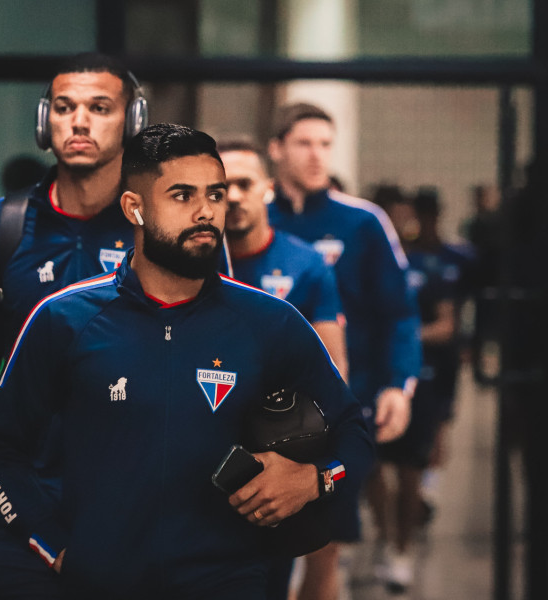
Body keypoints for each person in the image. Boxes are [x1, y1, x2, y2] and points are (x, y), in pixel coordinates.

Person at [0, 123, 375, 599]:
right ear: (135, 207)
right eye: (182, 195)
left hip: (230, 584)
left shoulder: (271, 322)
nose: (206, 211)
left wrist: (314, 479)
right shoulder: (65, 319)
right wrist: (52, 545)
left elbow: (353, 432)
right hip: (99, 584)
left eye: (215, 194)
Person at [0, 52, 147, 598]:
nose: (78, 121)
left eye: (99, 108)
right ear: (44, 120)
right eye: (63, 107)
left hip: (132, 513)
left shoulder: (160, 231)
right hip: (13, 511)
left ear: (133, 122)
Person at [265, 103, 422, 600]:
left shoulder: (363, 222)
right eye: (304, 143)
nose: (317, 155)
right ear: (276, 148)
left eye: (325, 144)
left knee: (326, 541)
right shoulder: (252, 216)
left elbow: (400, 312)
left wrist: (398, 385)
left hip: (345, 402)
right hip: (259, 406)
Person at [218, 137, 348, 599]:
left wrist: (314, 465)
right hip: (199, 449)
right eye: (221, 188)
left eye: (244, 184)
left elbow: (334, 371)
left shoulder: (305, 264)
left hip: (276, 453)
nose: (233, 197)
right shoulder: (190, 263)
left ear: (268, 189)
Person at [365, 187, 474, 592]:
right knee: (370, 465)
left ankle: (402, 548)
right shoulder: (368, 262)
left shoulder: (432, 266)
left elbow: (446, 324)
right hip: (371, 376)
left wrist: (402, 337)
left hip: (420, 376)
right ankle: (384, 537)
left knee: (411, 465)